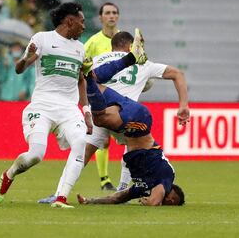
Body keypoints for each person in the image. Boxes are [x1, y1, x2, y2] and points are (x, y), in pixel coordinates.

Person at [38, 30, 190, 203]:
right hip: (128, 116)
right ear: (131, 47)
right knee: (133, 148)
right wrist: (183, 105)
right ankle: (123, 188)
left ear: (112, 47)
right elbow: (178, 74)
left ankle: (59, 193)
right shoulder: (144, 63)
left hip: (102, 110)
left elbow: (78, 84)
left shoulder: (98, 59)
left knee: (81, 154)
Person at [0, 2, 95, 208]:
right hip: (42, 106)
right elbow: (19, 69)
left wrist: (86, 111)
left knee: (80, 144)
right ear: (70, 21)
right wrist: (28, 59)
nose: (83, 26)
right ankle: (9, 174)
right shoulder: (42, 39)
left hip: (68, 109)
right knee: (36, 155)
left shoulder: (80, 48)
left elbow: (81, 79)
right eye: (81, 22)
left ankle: (60, 197)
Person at [78, 36, 188, 206]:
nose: (168, 201)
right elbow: (155, 200)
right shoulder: (165, 177)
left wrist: (90, 201)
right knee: (98, 111)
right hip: (135, 116)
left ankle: (60, 192)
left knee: (97, 118)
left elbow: (118, 198)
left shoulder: (143, 186)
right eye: (171, 201)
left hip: (122, 110)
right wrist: (183, 105)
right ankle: (91, 74)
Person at [84, 2, 120, 190]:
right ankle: (105, 179)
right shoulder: (92, 43)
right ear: (100, 17)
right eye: (107, 13)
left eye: (114, 13)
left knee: (131, 139)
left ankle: (127, 184)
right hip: (99, 97)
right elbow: (82, 67)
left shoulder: (125, 40)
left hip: (122, 97)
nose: (111, 16)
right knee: (103, 140)